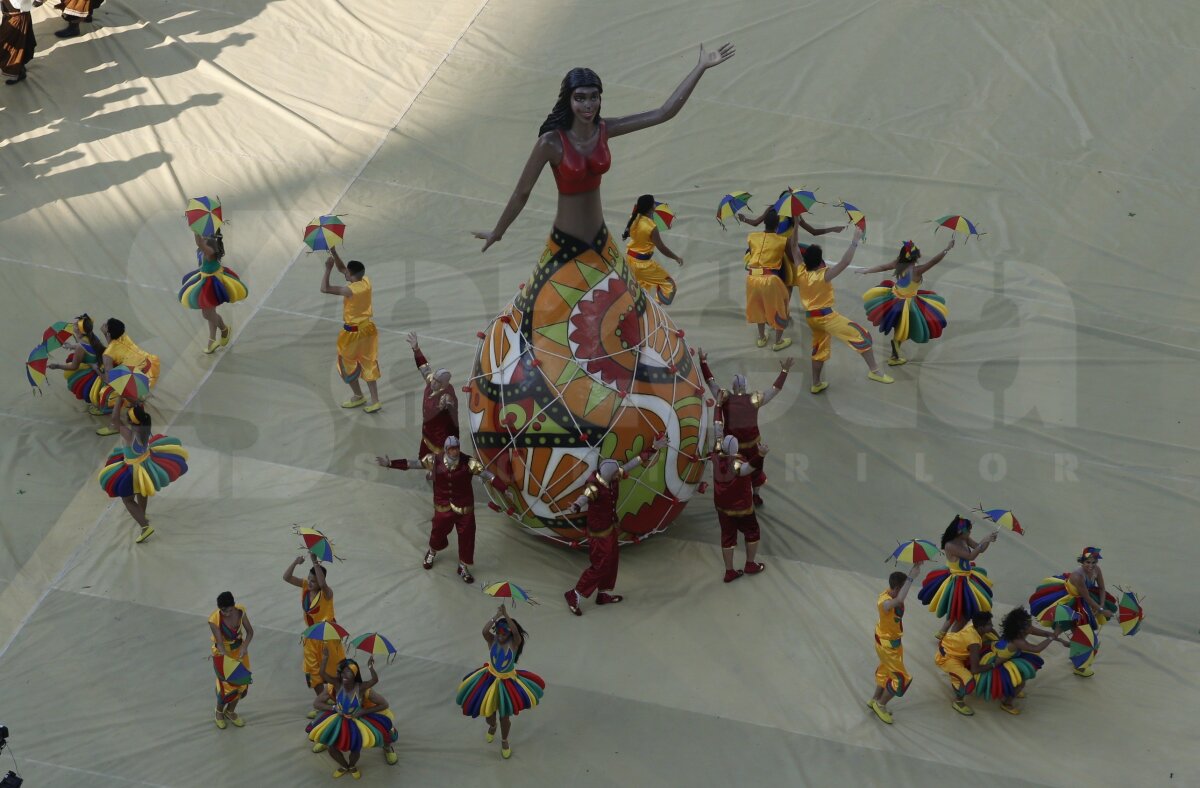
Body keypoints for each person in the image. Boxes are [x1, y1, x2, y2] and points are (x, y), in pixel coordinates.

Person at [473, 43, 734, 255]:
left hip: (601, 241)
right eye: (580, 98)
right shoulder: (550, 143)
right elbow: (522, 192)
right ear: (568, 100)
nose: (588, 105)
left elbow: (663, 113)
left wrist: (700, 67)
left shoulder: (606, 129)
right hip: (566, 244)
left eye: (593, 97)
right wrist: (498, 231)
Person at [376, 436, 512, 584]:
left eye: (457, 448)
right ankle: (432, 552)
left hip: (465, 507)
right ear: (446, 449)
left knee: (467, 537)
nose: (455, 451)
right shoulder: (434, 460)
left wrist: (504, 489)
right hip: (443, 505)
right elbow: (413, 464)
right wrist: (390, 463)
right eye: (452, 448)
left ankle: (463, 567)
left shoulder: (469, 462)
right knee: (437, 531)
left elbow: (488, 475)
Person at [562, 436, 667, 616]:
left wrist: (653, 448)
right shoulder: (595, 486)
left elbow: (631, 464)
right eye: (617, 472)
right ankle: (575, 593)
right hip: (598, 534)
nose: (621, 473)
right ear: (609, 475)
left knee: (612, 562)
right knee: (600, 565)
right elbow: (584, 497)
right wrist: (575, 506)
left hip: (610, 529)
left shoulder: (611, 476)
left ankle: (603, 594)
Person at [792, 230, 892, 393]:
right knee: (862, 335)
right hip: (827, 318)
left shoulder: (801, 271)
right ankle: (875, 371)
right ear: (820, 262)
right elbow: (844, 262)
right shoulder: (823, 275)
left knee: (819, 349)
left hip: (812, 319)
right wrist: (855, 240)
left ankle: (816, 383)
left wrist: (795, 225)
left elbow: (794, 247)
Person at [697, 351, 792, 507]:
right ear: (746, 386)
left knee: (731, 471)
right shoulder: (754, 400)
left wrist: (703, 362)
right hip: (753, 445)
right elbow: (774, 390)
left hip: (731, 446)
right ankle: (755, 495)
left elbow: (710, 382)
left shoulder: (725, 398)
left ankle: (733, 496)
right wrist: (784, 371)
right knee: (756, 469)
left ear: (733, 387)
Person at [456, 604, 544, 760]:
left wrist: (506, 615)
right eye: (498, 631)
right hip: (488, 679)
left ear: (510, 633)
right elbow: (484, 631)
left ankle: (504, 740)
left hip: (507, 683)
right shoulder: (492, 640)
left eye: (505, 632)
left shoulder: (514, 643)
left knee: (504, 716)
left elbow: (516, 632)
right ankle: (492, 725)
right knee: (489, 713)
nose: (500, 635)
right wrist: (496, 616)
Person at [97, 404, 188, 544]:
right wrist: (136, 402)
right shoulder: (145, 426)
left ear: (131, 421)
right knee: (142, 489)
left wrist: (120, 399)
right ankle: (142, 513)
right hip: (146, 463)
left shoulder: (129, 434)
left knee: (127, 499)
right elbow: (137, 410)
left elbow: (114, 419)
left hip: (132, 468)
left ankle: (145, 527)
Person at [857, 237, 954, 365]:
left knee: (900, 324)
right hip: (908, 303)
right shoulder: (917, 270)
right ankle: (895, 355)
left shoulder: (898, 264)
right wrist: (947, 249)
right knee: (904, 326)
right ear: (916, 257)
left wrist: (866, 271)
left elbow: (882, 266)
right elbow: (934, 261)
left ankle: (895, 349)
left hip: (893, 296)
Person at [1028, 546, 1117, 677]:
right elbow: (1086, 597)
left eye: (1094, 562)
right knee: (1063, 628)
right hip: (1071, 600)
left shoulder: (1097, 570)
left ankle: (1079, 660)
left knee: (1081, 631)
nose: (1091, 565)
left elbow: (1102, 588)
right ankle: (1038, 651)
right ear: (1082, 562)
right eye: (1088, 562)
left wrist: (1102, 604)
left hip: (1086, 599)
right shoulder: (1077, 576)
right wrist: (1101, 610)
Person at [307, 655, 394, 779]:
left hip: (356, 720)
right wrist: (325, 658)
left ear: (355, 673)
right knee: (331, 747)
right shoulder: (336, 685)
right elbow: (321, 677)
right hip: (338, 720)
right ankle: (344, 766)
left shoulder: (362, 688)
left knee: (355, 747)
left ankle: (352, 766)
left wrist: (370, 667)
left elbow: (376, 685)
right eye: (342, 672)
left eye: (348, 672)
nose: (344, 675)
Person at [283, 553, 347, 715]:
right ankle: (323, 704)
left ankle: (341, 703)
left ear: (320, 582)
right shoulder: (305, 586)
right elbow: (286, 577)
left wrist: (314, 560)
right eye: (309, 579)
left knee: (335, 671)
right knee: (312, 672)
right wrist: (296, 562)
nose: (310, 583)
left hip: (329, 638)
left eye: (314, 580)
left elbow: (323, 583)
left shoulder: (327, 594)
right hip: (311, 637)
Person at [320, 247, 381, 413]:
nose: (344, 274)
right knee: (369, 362)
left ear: (351, 276)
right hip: (368, 330)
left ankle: (358, 395)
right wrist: (333, 252)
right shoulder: (365, 281)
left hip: (352, 334)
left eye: (347, 273)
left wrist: (327, 269)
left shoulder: (349, 290)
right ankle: (375, 401)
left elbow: (324, 289)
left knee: (347, 365)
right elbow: (343, 269)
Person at [974, 607, 1067, 714]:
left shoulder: (1021, 630)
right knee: (1020, 683)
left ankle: (1011, 691)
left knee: (1021, 674)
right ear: (1021, 629)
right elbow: (1036, 648)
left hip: (1001, 650)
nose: (1031, 626)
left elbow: (1046, 634)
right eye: (1028, 624)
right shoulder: (1017, 641)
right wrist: (1054, 636)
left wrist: (1060, 640)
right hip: (999, 662)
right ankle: (1007, 703)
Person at [917, 515, 997, 638]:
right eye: (968, 530)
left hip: (967, 578)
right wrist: (983, 540)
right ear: (960, 531)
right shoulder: (950, 545)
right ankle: (951, 639)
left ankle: (942, 633)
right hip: (957, 581)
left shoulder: (965, 539)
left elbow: (979, 549)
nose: (970, 532)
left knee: (958, 610)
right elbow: (970, 556)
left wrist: (988, 541)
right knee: (962, 612)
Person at [868, 563, 923, 724]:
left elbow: (899, 596)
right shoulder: (884, 602)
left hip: (892, 643)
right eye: (904, 586)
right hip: (887, 645)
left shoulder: (890, 592)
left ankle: (874, 699)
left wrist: (912, 572)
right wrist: (912, 577)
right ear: (898, 587)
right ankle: (881, 704)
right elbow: (899, 600)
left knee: (886, 671)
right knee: (901, 679)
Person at [710, 433, 767, 583]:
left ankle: (729, 571)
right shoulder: (737, 463)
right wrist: (760, 455)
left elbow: (717, 437)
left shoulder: (715, 457)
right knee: (752, 531)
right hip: (742, 507)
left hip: (722, 507)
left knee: (727, 537)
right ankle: (750, 564)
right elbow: (748, 468)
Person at [180, 230, 246, 354]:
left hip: (211, 284)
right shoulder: (209, 246)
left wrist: (194, 229)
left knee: (207, 314)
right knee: (211, 312)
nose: (202, 235)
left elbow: (199, 243)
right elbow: (200, 244)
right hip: (206, 278)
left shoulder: (210, 250)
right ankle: (212, 341)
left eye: (204, 236)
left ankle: (224, 329)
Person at [97, 317, 161, 436]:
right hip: (151, 367)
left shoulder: (107, 355)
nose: (103, 324)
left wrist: (98, 371)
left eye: (105, 325)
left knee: (112, 393)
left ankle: (115, 424)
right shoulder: (124, 337)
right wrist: (106, 333)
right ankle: (137, 399)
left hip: (137, 376)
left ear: (109, 332)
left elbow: (110, 380)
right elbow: (113, 345)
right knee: (123, 385)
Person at [741, 207, 794, 350]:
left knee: (758, 306)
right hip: (770, 279)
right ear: (778, 225)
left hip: (752, 277)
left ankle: (762, 338)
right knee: (781, 307)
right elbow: (791, 258)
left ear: (764, 222)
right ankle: (778, 342)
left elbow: (753, 254)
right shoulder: (783, 240)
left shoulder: (752, 237)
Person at [406, 332, 459, 464]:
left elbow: (449, 404)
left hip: (440, 436)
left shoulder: (447, 395)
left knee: (440, 461)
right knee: (425, 457)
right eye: (434, 379)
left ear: (445, 384)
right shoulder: (431, 382)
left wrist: (447, 403)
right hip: (428, 430)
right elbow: (424, 368)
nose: (433, 382)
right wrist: (416, 349)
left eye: (437, 381)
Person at [622, 194, 683, 305]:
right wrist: (676, 257)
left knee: (642, 288)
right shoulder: (651, 227)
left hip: (630, 259)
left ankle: (640, 307)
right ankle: (656, 306)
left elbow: (638, 233)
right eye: (654, 203)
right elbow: (661, 248)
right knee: (669, 286)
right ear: (651, 208)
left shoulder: (633, 218)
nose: (655, 204)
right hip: (643, 265)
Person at [46, 314, 109, 415]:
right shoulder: (91, 336)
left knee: (85, 388)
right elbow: (86, 346)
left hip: (98, 373)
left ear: (80, 330)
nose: (73, 325)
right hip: (101, 365)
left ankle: (101, 406)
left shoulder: (81, 346)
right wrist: (71, 346)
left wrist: (57, 366)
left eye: (75, 325)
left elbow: (73, 366)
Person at [209, 591, 254, 729]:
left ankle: (230, 711)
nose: (226, 614)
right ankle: (218, 712)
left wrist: (244, 647)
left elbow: (250, 632)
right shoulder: (214, 619)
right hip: (223, 654)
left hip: (239, 652)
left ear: (233, 606)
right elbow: (221, 644)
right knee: (226, 687)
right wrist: (228, 661)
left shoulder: (241, 612)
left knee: (241, 684)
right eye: (222, 610)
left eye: (228, 610)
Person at [934, 611, 993, 716]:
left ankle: (956, 678)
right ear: (980, 628)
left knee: (961, 673)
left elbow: (991, 631)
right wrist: (993, 664)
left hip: (949, 646)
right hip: (947, 658)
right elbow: (975, 669)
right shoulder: (974, 643)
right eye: (989, 624)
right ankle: (958, 701)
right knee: (969, 683)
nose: (992, 626)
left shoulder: (972, 624)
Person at [1, 0, 37, 86]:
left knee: (14, 45)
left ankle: (19, 70)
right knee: (13, 43)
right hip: (9, 15)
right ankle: (20, 68)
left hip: (18, 17)